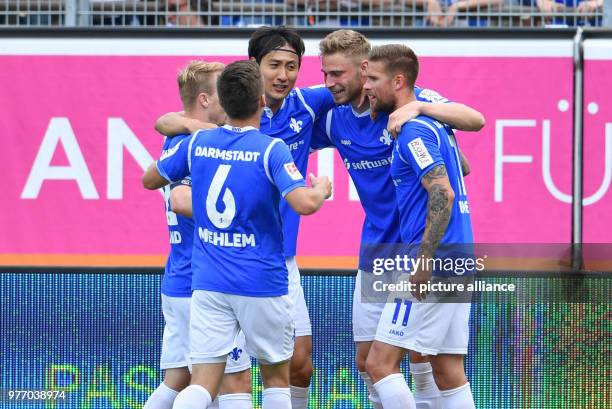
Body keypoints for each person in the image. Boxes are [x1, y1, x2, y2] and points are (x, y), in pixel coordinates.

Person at [155, 26, 337, 409]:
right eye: (274, 65)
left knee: (297, 366)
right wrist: (321, 188)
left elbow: (353, 86)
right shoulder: (231, 119)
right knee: (254, 378)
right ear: (255, 69)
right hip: (254, 269)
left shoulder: (305, 106)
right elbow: (167, 121)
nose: (283, 75)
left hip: (269, 261)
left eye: (292, 65)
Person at [311, 29, 483, 409]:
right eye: (325, 73)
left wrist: (421, 107)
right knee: (371, 362)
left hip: (423, 251)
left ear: (366, 68)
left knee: (400, 360)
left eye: (339, 74)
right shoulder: (334, 120)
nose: (329, 83)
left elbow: (474, 120)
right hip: (380, 252)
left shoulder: (410, 112)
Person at [363, 44, 475, 409]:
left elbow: (442, 192)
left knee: (379, 365)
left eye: (373, 79)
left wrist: (424, 259)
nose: (367, 87)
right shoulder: (433, 125)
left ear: (398, 81)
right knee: (448, 370)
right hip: (458, 257)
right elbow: (463, 167)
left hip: (433, 259)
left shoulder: (413, 131)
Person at [143, 60, 252, 409]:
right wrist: (243, 208)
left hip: (177, 280)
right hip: (200, 284)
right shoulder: (197, 146)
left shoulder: (180, 138)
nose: (231, 99)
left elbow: (166, 125)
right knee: (234, 382)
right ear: (205, 99)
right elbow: (181, 199)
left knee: (177, 380)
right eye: (223, 93)